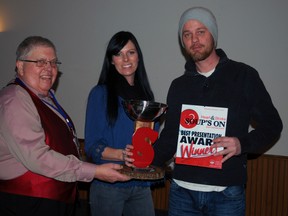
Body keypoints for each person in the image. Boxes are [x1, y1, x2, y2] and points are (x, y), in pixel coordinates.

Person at [151, 7, 283, 216]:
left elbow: (273, 125)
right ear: (182, 41)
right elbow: (170, 137)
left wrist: (242, 144)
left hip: (226, 196)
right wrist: (143, 160)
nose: (194, 39)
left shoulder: (244, 76)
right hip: (181, 193)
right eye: (187, 34)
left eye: (201, 31)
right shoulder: (178, 85)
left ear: (213, 34)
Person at [0, 36, 130, 216]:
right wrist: (95, 171)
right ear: (20, 66)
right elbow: (37, 157)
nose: (49, 68)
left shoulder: (46, 97)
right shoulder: (15, 99)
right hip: (28, 202)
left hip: (55, 198)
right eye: (40, 62)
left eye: (53, 62)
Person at [85, 31, 157, 216]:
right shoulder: (100, 94)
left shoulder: (147, 98)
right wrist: (122, 155)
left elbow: (151, 142)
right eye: (118, 54)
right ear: (111, 60)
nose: (125, 58)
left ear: (138, 57)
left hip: (141, 185)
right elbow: (92, 147)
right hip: (109, 185)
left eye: (131, 52)